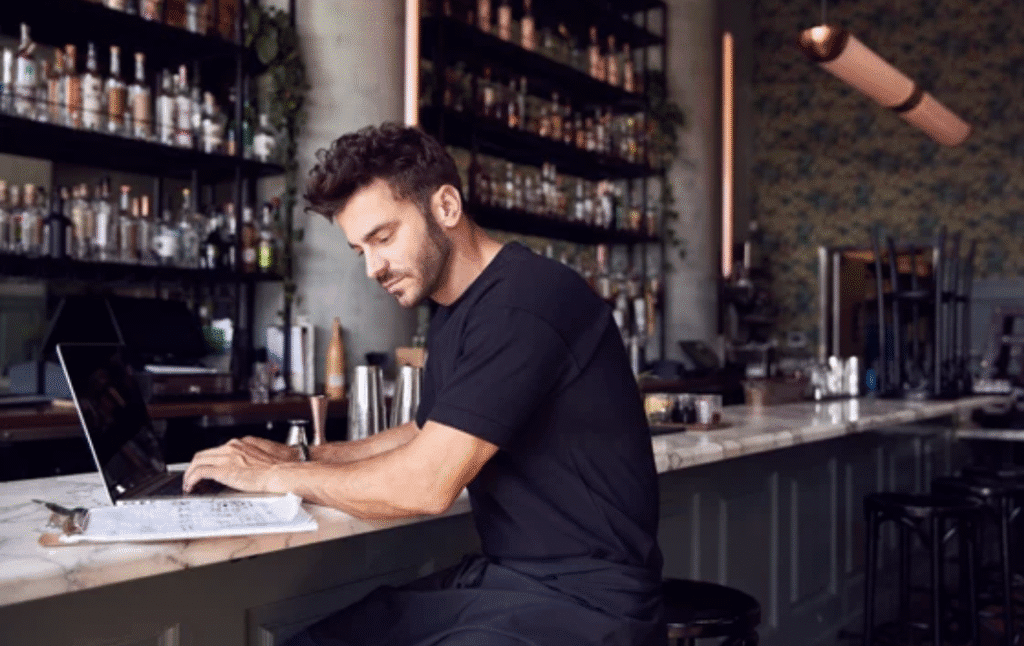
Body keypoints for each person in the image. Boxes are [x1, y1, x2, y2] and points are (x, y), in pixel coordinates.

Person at [183, 122, 665, 646]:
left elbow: (425, 484)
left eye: (383, 238)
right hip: (511, 583)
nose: (372, 268)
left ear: (446, 207)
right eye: (360, 249)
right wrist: (301, 458)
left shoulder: (527, 300)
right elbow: (422, 434)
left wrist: (275, 480)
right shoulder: (459, 309)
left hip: (588, 602)